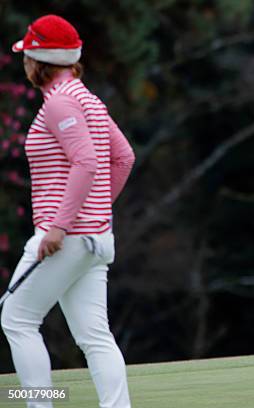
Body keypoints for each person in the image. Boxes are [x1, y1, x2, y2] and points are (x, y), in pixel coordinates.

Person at [2, 15, 135, 408]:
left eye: (27, 56)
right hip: (95, 237)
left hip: (65, 237)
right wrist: (95, 211)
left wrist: (61, 225)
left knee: (16, 319)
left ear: (39, 60)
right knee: (95, 336)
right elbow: (123, 158)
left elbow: (87, 161)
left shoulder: (60, 102)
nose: (23, 64)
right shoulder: (88, 99)